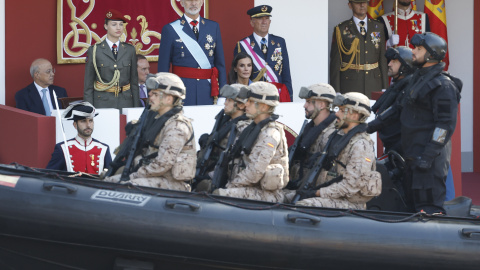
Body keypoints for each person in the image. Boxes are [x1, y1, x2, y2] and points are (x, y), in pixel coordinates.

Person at [400, 32, 462, 214]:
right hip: (413, 159)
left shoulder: (444, 86)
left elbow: (444, 126)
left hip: (429, 162)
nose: (413, 52)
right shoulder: (417, 80)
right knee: (411, 210)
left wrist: (428, 156)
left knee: (428, 211)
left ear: (431, 55)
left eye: (418, 49)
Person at [105, 72, 196, 191]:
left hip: (173, 183)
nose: (150, 96)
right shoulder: (157, 121)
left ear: (169, 99)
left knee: (126, 186)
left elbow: (163, 164)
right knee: (108, 182)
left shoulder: (177, 126)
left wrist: (134, 175)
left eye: (155, 94)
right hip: (155, 177)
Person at [296, 92, 381, 210]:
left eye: (342, 110)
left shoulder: (361, 145)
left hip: (349, 204)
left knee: (303, 206)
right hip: (332, 197)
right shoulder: (338, 137)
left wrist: (317, 193)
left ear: (354, 115)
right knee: (288, 198)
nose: (336, 113)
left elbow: (350, 186)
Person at [213, 82, 289, 203]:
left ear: (263, 106)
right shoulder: (252, 128)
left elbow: (255, 171)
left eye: (251, 101)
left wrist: (231, 186)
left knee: (220, 195)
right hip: (250, 188)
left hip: (267, 194)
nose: (246, 104)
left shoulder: (270, 134)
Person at [158, 0, 226, 106]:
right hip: (181, 91)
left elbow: (220, 64)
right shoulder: (170, 29)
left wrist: (223, 94)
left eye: (197, 0)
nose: (194, 3)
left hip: (207, 92)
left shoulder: (213, 27)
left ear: (202, 2)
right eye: (189, 0)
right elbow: (163, 68)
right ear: (181, 3)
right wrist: (164, 94)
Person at [195, 84, 250, 191]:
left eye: (229, 100)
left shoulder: (243, 127)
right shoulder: (225, 121)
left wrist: (209, 176)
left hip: (224, 179)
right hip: (208, 169)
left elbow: (233, 160)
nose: (225, 103)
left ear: (241, 105)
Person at [329, 0, 388, 98]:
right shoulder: (341, 29)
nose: (362, 5)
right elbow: (335, 63)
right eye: (357, 2)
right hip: (350, 85)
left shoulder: (378, 27)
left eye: (364, 2)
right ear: (350, 5)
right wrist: (336, 91)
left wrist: (385, 87)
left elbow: (382, 59)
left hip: (374, 83)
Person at [233, 5, 292, 102]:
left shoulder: (280, 42)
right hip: (254, 97)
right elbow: (239, 77)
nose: (264, 22)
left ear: (270, 22)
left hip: (277, 96)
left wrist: (289, 98)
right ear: (252, 22)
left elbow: (286, 75)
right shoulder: (243, 45)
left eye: (267, 18)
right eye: (260, 18)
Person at [286, 83, 338, 192]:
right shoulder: (309, 129)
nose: (304, 105)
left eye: (309, 102)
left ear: (322, 105)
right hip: (299, 186)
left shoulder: (334, 132)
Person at [84, 9, 139, 109]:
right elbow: (88, 86)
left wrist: (136, 108)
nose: (118, 28)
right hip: (102, 102)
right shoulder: (95, 50)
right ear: (106, 26)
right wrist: (89, 110)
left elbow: (134, 83)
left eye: (121, 24)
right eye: (114, 24)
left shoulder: (130, 50)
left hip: (126, 102)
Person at [367, 46, 416, 155]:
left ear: (405, 65)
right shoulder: (397, 87)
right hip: (393, 148)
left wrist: (367, 128)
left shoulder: (409, 90)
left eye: (394, 61)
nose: (389, 64)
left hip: (405, 151)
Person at [46, 102, 112, 174]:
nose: (88, 125)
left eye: (90, 121)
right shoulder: (62, 148)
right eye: (83, 121)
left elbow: (110, 177)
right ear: (75, 125)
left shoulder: (104, 148)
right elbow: (50, 175)